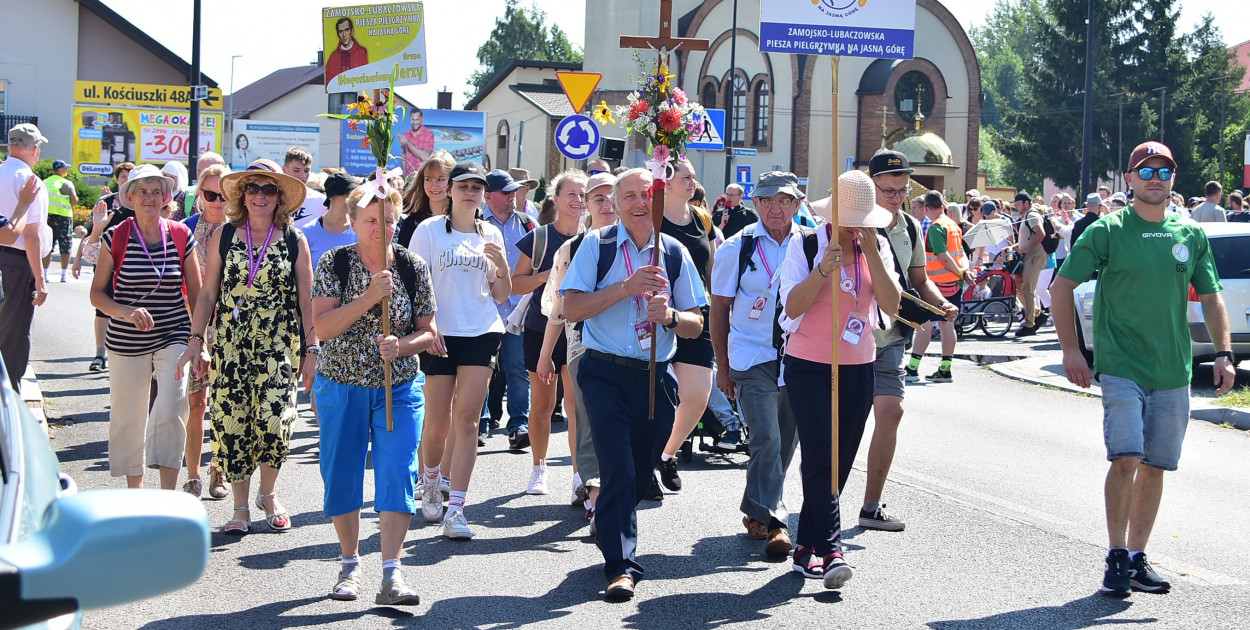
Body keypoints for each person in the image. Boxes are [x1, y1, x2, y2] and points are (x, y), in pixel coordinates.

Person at [1051, 141, 1235, 597]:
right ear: (1129, 180)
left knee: (1155, 466)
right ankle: (1115, 554)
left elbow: (1212, 297)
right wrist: (1072, 351)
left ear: (1174, 179)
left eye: (1164, 170)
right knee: (1127, 456)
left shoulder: (1190, 234)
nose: (1156, 178)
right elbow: (1061, 287)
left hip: (1174, 370)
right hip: (1120, 365)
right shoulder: (1108, 230)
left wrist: (1225, 353)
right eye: (1146, 170)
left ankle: (1136, 558)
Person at [560, 167, 707, 601]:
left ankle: (609, 521)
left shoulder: (675, 251)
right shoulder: (597, 246)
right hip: (603, 371)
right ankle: (621, 565)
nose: (640, 203)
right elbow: (572, 308)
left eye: (648, 194)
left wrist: (673, 318)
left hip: (654, 378)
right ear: (615, 203)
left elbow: (697, 324)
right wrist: (626, 288)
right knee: (618, 468)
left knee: (640, 473)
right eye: (630, 196)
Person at [311, 184, 436, 605]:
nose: (380, 228)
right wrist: (369, 297)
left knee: (398, 471)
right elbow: (323, 329)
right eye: (370, 220)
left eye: (387, 219)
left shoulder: (412, 266)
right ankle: (349, 564)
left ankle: (392, 573)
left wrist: (403, 346)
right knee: (342, 473)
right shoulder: (335, 263)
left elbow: (428, 331)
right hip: (342, 384)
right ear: (352, 222)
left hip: (397, 385)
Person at [178, 158, 318, 534]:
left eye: (268, 189)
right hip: (231, 344)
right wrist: (197, 339)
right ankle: (241, 506)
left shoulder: (294, 239)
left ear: (279, 197)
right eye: (253, 188)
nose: (260, 195)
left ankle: (268, 494)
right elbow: (207, 293)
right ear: (242, 194)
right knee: (233, 422)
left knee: (276, 420)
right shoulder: (225, 235)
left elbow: (306, 300)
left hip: (278, 344)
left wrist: (312, 349)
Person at [780, 169, 900, 590]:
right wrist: (822, 270)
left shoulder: (877, 244)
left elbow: (891, 303)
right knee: (819, 456)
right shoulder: (807, 242)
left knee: (842, 459)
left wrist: (869, 253)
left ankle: (805, 547)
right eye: (850, 217)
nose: (856, 226)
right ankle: (832, 550)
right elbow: (792, 306)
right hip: (808, 364)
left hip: (858, 364)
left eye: (862, 218)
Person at [847, 151, 959, 532]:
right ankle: (825, 501)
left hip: (892, 337)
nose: (896, 197)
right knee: (846, 423)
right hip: (852, 335)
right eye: (888, 190)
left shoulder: (911, 227)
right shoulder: (853, 223)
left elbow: (920, 278)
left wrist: (941, 304)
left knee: (891, 412)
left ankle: (871, 505)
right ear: (871, 187)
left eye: (902, 189)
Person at [408, 161, 512, 540]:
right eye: (463, 186)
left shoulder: (491, 236)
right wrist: (427, 326)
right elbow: (416, 285)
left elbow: (502, 295)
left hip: (482, 331)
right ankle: (431, 478)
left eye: (477, 187)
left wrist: (501, 267)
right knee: (436, 421)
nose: (470, 192)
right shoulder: (430, 231)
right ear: (449, 190)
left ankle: (457, 509)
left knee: (467, 419)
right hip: (441, 333)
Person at [89, 164, 203, 489]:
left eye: (157, 191)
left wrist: (200, 340)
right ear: (131, 197)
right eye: (143, 191)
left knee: (173, 405)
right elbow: (97, 294)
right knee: (129, 416)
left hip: (174, 333)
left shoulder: (181, 234)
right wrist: (126, 311)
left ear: (166, 196)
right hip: (126, 338)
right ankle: (135, 494)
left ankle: (167, 495)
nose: (150, 198)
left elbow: (196, 294)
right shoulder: (117, 235)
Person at [710, 171, 804, 558]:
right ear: (756, 205)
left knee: (785, 437)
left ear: (797, 203)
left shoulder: (812, 244)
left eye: (784, 200)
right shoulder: (737, 247)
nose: (775, 209)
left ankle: (756, 507)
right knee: (766, 436)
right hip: (752, 354)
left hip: (799, 354)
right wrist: (723, 366)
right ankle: (778, 522)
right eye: (767, 201)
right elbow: (719, 309)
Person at [537, 171, 618, 525]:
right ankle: (596, 496)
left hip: (628, 347)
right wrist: (544, 355)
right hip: (583, 345)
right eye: (598, 198)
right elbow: (557, 309)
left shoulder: (640, 241)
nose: (607, 205)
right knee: (587, 419)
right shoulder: (570, 248)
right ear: (585, 205)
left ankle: (612, 487)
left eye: (612, 196)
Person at [511, 170, 587, 495]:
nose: (578, 200)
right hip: (540, 328)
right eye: (571, 194)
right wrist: (551, 276)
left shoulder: (594, 239)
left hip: (577, 331)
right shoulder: (539, 237)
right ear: (556, 199)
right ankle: (539, 468)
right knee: (542, 405)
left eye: (583, 195)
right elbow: (515, 285)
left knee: (575, 406)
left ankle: (578, 476)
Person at [655, 159, 716, 495]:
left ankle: (667, 453)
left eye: (694, 176)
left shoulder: (701, 218)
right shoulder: (650, 215)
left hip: (695, 311)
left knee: (697, 395)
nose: (693, 181)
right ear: (665, 181)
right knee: (651, 395)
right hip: (654, 309)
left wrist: (722, 312)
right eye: (686, 176)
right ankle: (646, 457)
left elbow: (712, 267)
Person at [179, 164, 232, 500]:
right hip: (190, 325)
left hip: (229, 328)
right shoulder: (184, 230)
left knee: (224, 405)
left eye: (223, 195)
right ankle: (194, 475)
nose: (216, 201)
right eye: (210, 194)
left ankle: (219, 473)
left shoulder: (241, 233)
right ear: (200, 195)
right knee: (196, 403)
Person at [480, 169, 533, 449]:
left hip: (516, 311)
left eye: (514, 191)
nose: (513, 196)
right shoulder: (474, 223)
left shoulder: (527, 223)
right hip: (484, 310)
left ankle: (519, 426)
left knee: (517, 368)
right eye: (506, 192)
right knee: (481, 369)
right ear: (488, 196)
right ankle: (481, 423)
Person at [0, 123, 50, 392]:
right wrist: (41, 279)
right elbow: (31, 235)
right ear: (35, 149)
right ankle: (8, 404)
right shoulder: (31, 182)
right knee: (13, 336)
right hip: (18, 264)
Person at [75, 163, 136, 372]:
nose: (125, 180)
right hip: (106, 267)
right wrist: (76, 260)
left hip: (132, 271)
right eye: (122, 177)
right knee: (103, 311)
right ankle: (100, 355)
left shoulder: (142, 207)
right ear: (117, 180)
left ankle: (123, 357)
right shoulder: (105, 204)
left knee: (126, 312)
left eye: (130, 177)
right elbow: (90, 238)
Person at [906, 191, 973, 382]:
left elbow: (943, 256)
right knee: (947, 324)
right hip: (954, 284)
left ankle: (912, 368)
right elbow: (961, 253)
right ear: (943, 205)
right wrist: (963, 272)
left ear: (926, 208)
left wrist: (960, 272)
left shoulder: (936, 227)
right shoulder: (953, 225)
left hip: (937, 285)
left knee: (925, 324)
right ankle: (945, 368)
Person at [397, 150, 455, 247]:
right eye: (428, 179)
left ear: (453, 182)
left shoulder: (462, 221)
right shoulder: (411, 223)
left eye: (440, 179)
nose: (434, 185)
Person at [304, 172, 360, 268]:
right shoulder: (308, 232)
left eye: (353, 195)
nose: (351, 200)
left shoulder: (360, 229)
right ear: (331, 196)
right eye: (346, 194)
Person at [1012, 192, 1048, 337]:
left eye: (1018, 204)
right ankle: (1037, 315)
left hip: (1034, 257)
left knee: (1028, 290)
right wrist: (1014, 247)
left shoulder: (1032, 215)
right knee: (1020, 288)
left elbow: (1041, 234)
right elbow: (1028, 238)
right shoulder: (1027, 216)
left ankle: (1029, 325)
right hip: (1028, 257)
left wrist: (1027, 249)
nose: (1016, 207)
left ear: (1027, 203)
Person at [42, 159, 77, 283]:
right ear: (60, 170)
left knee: (47, 246)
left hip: (47, 217)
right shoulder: (66, 183)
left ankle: (45, 273)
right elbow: (74, 200)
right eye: (65, 168)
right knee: (65, 246)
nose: (66, 170)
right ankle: (63, 274)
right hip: (64, 217)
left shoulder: (44, 182)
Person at [285, 147, 328, 227]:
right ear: (284, 169)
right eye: (296, 170)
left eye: (306, 171)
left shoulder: (321, 201)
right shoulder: (273, 197)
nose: (302, 175)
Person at [326, 17, 369, 81]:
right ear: (338, 34)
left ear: (352, 31)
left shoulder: (362, 52)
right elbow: (328, 80)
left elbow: (367, 75)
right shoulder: (333, 56)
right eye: (341, 31)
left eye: (346, 30)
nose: (344, 35)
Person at [399, 108, 435, 177]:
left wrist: (407, 142)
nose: (415, 122)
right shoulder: (407, 134)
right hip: (408, 177)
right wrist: (403, 174)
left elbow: (424, 156)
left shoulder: (429, 134)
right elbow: (403, 154)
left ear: (422, 119)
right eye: (413, 120)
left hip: (422, 176)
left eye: (417, 119)